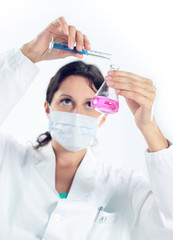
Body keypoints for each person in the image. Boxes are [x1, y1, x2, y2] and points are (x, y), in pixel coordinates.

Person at [0, 17, 173, 240]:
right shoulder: (7, 157)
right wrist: (28, 55)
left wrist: (149, 126)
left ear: (102, 118)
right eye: (66, 101)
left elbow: (169, 220)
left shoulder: (125, 187)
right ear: (47, 108)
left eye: (90, 104)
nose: (77, 114)